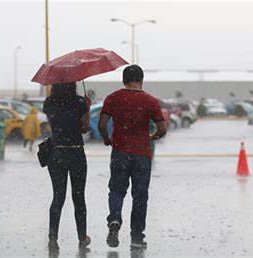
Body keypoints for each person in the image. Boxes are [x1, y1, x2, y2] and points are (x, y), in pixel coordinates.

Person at [98, 65, 167, 249]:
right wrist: (152, 137)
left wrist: (107, 139)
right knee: (140, 196)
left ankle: (114, 220)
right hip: (142, 155)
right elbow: (162, 129)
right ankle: (137, 237)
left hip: (120, 152)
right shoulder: (150, 101)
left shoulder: (113, 98)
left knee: (117, 190)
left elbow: (102, 124)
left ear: (123, 80)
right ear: (141, 80)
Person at [42, 82, 91, 251]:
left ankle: (53, 236)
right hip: (76, 152)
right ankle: (82, 237)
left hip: (56, 153)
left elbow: (53, 126)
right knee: (79, 197)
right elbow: (84, 129)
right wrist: (87, 108)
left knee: (58, 196)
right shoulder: (80, 102)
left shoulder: (49, 103)